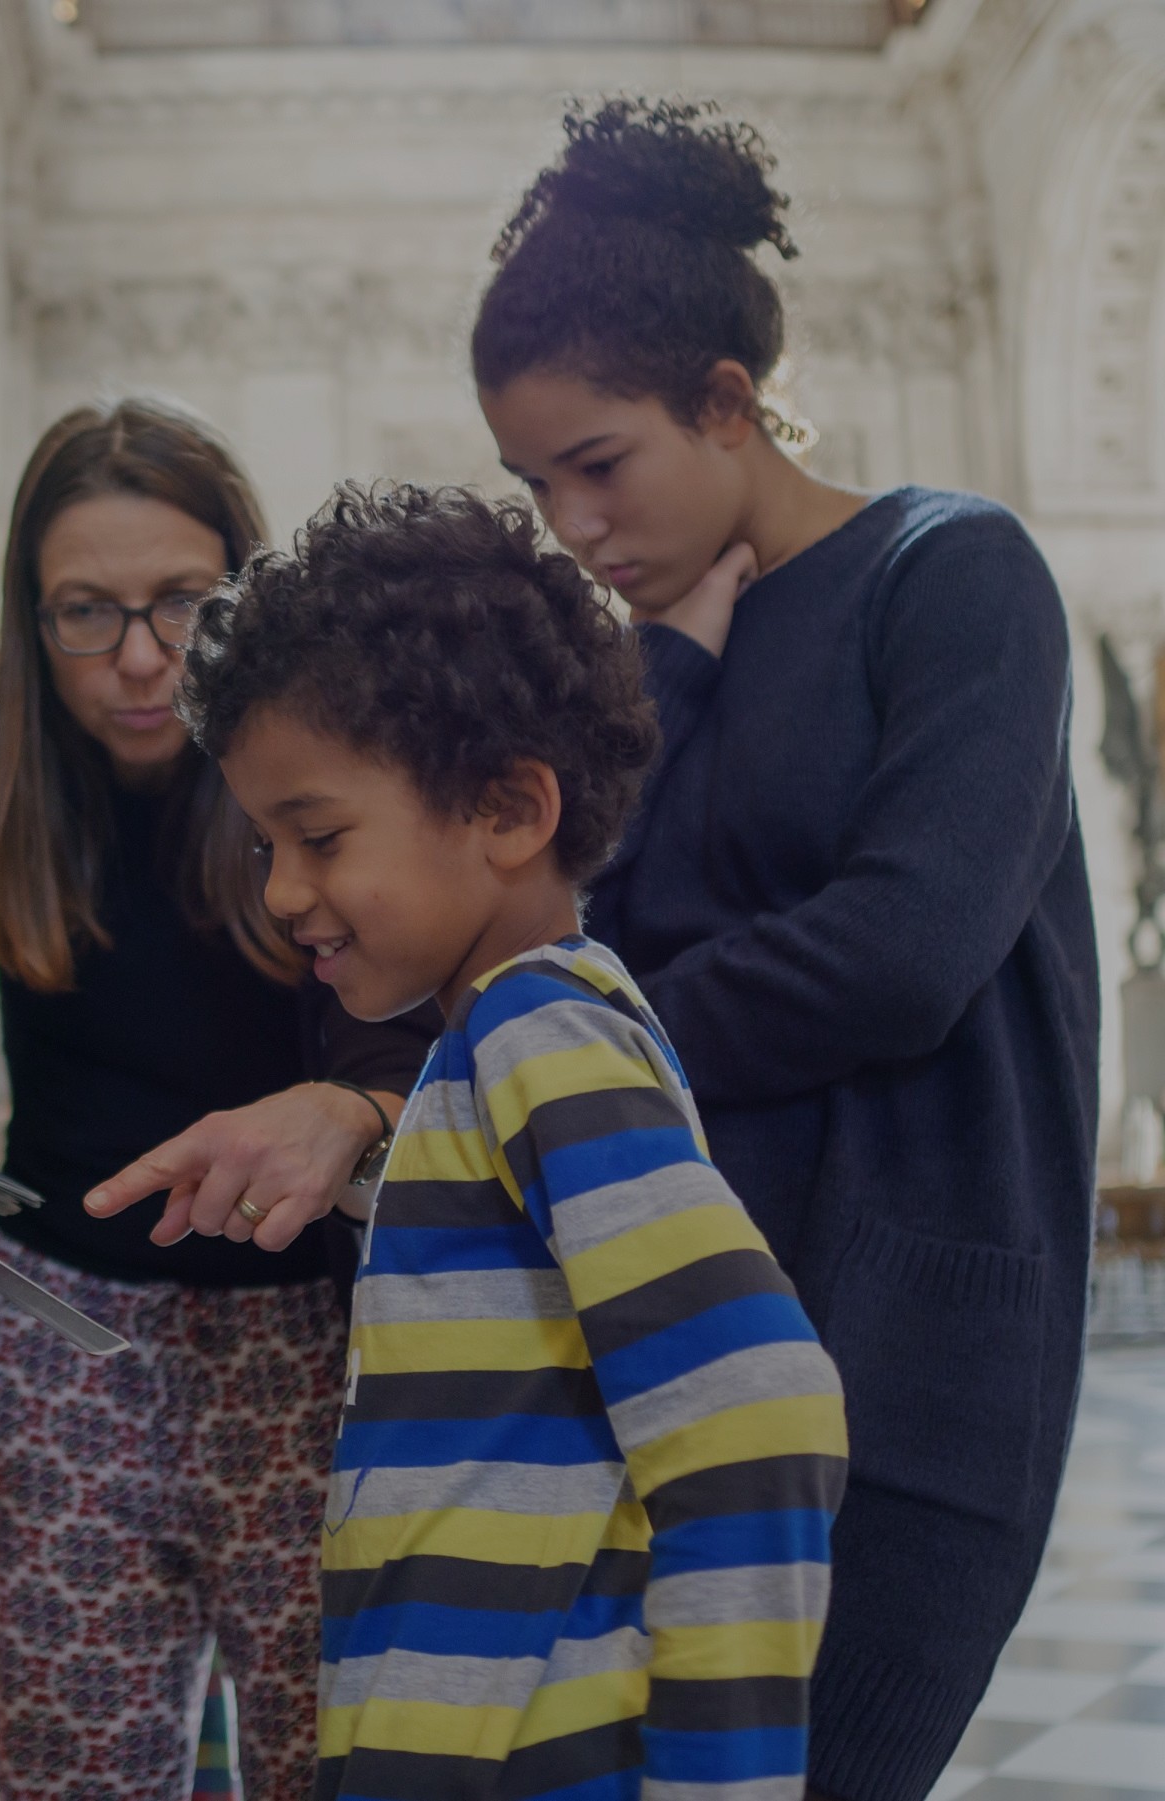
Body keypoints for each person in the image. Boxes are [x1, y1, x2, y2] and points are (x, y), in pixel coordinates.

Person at [470, 100, 1098, 1801]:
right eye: (537, 485)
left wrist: (591, 1042)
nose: (574, 523)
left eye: (598, 464)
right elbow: (582, 919)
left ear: (729, 403)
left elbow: (903, 951)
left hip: (918, 1355)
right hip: (678, 1340)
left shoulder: (951, 574)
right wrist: (662, 673)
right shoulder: (653, 648)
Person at [186, 478, 849, 1801]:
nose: (282, 892)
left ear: (507, 810)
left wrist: (721, 1786)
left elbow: (757, 1417)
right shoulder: (494, 1048)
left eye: (316, 835)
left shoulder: (538, 1039)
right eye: (266, 844)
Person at [0, 398, 436, 1801]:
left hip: (305, 1335)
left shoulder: (333, 772)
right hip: (63, 1331)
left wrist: (356, 1111)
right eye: (85, 615)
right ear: (33, 623)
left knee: (323, 1756)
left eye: (182, 603)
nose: (141, 659)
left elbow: (449, 1024)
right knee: (79, 1767)